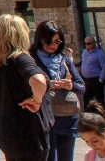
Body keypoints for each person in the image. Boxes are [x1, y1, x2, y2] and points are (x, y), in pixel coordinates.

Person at [0, 14, 52, 161]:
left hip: (4, 126)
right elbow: (39, 81)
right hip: (28, 129)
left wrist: (2, 90)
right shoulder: (20, 57)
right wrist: (36, 100)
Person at [31, 20, 84, 161]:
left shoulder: (64, 59)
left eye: (57, 42)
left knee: (66, 157)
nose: (53, 46)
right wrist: (48, 85)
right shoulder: (31, 60)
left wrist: (70, 85)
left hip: (68, 116)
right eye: (49, 42)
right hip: (46, 117)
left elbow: (81, 86)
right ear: (40, 39)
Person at [81, 36, 105, 108]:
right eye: (85, 43)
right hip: (86, 80)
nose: (87, 45)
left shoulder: (100, 53)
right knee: (86, 99)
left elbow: (104, 67)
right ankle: (87, 117)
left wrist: (101, 79)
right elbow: (83, 62)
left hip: (96, 80)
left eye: (89, 43)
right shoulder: (84, 52)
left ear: (94, 43)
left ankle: (103, 117)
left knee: (99, 100)